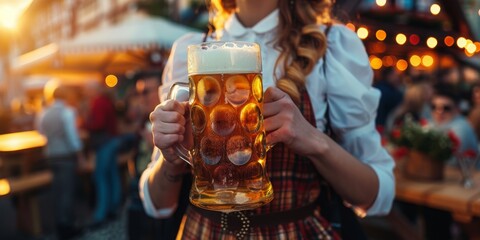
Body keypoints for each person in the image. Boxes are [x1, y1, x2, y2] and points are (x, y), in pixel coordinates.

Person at [141, 0, 395, 239]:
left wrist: (316, 142)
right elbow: (158, 206)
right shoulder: (191, 48)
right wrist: (171, 160)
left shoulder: (333, 44)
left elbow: (376, 195)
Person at [36, 84, 85, 239]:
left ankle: (59, 224)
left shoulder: (43, 112)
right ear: (66, 96)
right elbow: (72, 138)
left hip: (51, 156)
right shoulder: (67, 112)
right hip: (65, 156)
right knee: (67, 191)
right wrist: (80, 156)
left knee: (57, 190)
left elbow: (41, 131)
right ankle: (66, 226)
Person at [83, 80, 122, 226]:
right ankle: (113, 207)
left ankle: (101, 213)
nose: (86, 92)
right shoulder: (106, 100)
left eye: (87, 89)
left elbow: (98, 124)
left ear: (93, 90)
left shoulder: (98, 102)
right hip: (112, 140)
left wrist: (84, 124)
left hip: (105, 143)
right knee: (112, 175)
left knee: (101, 177)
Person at [374, 67, 404, 132]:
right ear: (389, 76)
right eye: (395, 75)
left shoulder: (377, 89)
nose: (397, 78)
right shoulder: (390, 92)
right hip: (383, 126)